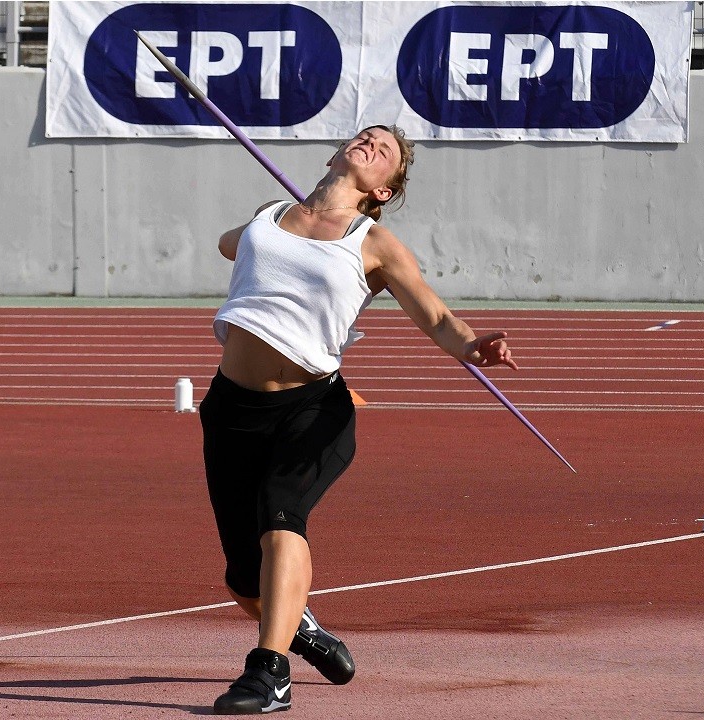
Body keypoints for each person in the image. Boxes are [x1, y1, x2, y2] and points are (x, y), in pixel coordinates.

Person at [201, 125, 518, 715]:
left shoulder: (374, 243)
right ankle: (301, 628)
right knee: (243, 579)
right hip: (231, 409)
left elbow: (436, 316)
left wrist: (474, 346)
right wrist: (266, 228)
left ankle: (269, 674)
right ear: (335, 154)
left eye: (385, 150)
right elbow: (227, 245)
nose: (371, 143)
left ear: (384, 191)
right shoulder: (269, 215)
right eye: (365, 137)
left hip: (311, 409)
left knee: (280, 517)